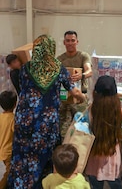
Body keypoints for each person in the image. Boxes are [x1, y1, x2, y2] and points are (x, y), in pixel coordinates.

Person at [7, 34, 85, 189]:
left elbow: (23, 90)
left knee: (23, 155)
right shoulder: (59, 69)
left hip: (25, 120)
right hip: (46, 124)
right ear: (51, 49)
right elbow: (74, 92)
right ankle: (42, 184)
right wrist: (83, 98)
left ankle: (19, 184)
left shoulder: (25, 69)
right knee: (43, 155)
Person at [85, 75, 122, 189]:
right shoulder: (118, 110)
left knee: (95, 183)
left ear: (95, 93)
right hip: (111, 154)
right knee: (115, 182)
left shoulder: (91, 109)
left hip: (94, 152)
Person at [58, 30, 92, 138]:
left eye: (72, 40)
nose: (70, 43)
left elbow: (89, 71)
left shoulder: (83, 56)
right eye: (67, 40)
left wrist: (81, 75)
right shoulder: (59, 60)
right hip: (64, 98)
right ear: (64, 42)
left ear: (77, 42)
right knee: (63, 128)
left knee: (82, 127)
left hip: (80, 98)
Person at [0, 91, 17, 189]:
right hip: (9, 153)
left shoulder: (0, 117)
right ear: (15, 104)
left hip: (1, 150)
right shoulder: (12, 119)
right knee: (7, 173)